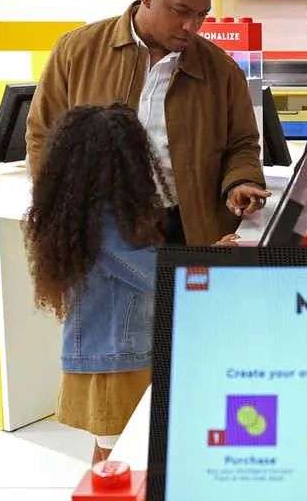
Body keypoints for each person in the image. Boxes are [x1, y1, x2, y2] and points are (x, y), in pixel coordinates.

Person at [23, 104, 239, 464]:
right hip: (116, 366)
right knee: (123, 461)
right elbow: (160, 274)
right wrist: (215, 259)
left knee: (112, 453)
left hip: (109, 359)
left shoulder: (82, 217)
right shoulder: (106, 226)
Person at [26, 0, 268, 246]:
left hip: (186, 226)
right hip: (99, 225)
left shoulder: (223, 71)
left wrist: (241, 181)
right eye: (180, 11)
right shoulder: (76, 51)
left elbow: (242, 143)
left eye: (201, 15)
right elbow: (42, 134)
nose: (191, 26)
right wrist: (57, 207)